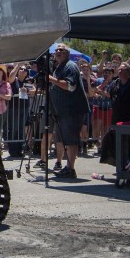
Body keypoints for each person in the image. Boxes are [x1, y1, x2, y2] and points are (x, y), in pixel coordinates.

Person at [46, 44, 88, 179]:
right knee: (62, 139)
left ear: (67, 54)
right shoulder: (59, 67)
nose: (58, 52)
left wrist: (52, 79)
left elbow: (70, 86)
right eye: (56, 50)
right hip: (62, 111)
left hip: (72, 110)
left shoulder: (70, 66)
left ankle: (71, 168)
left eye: (61, 50)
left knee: (70, 140)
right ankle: (66, 166)